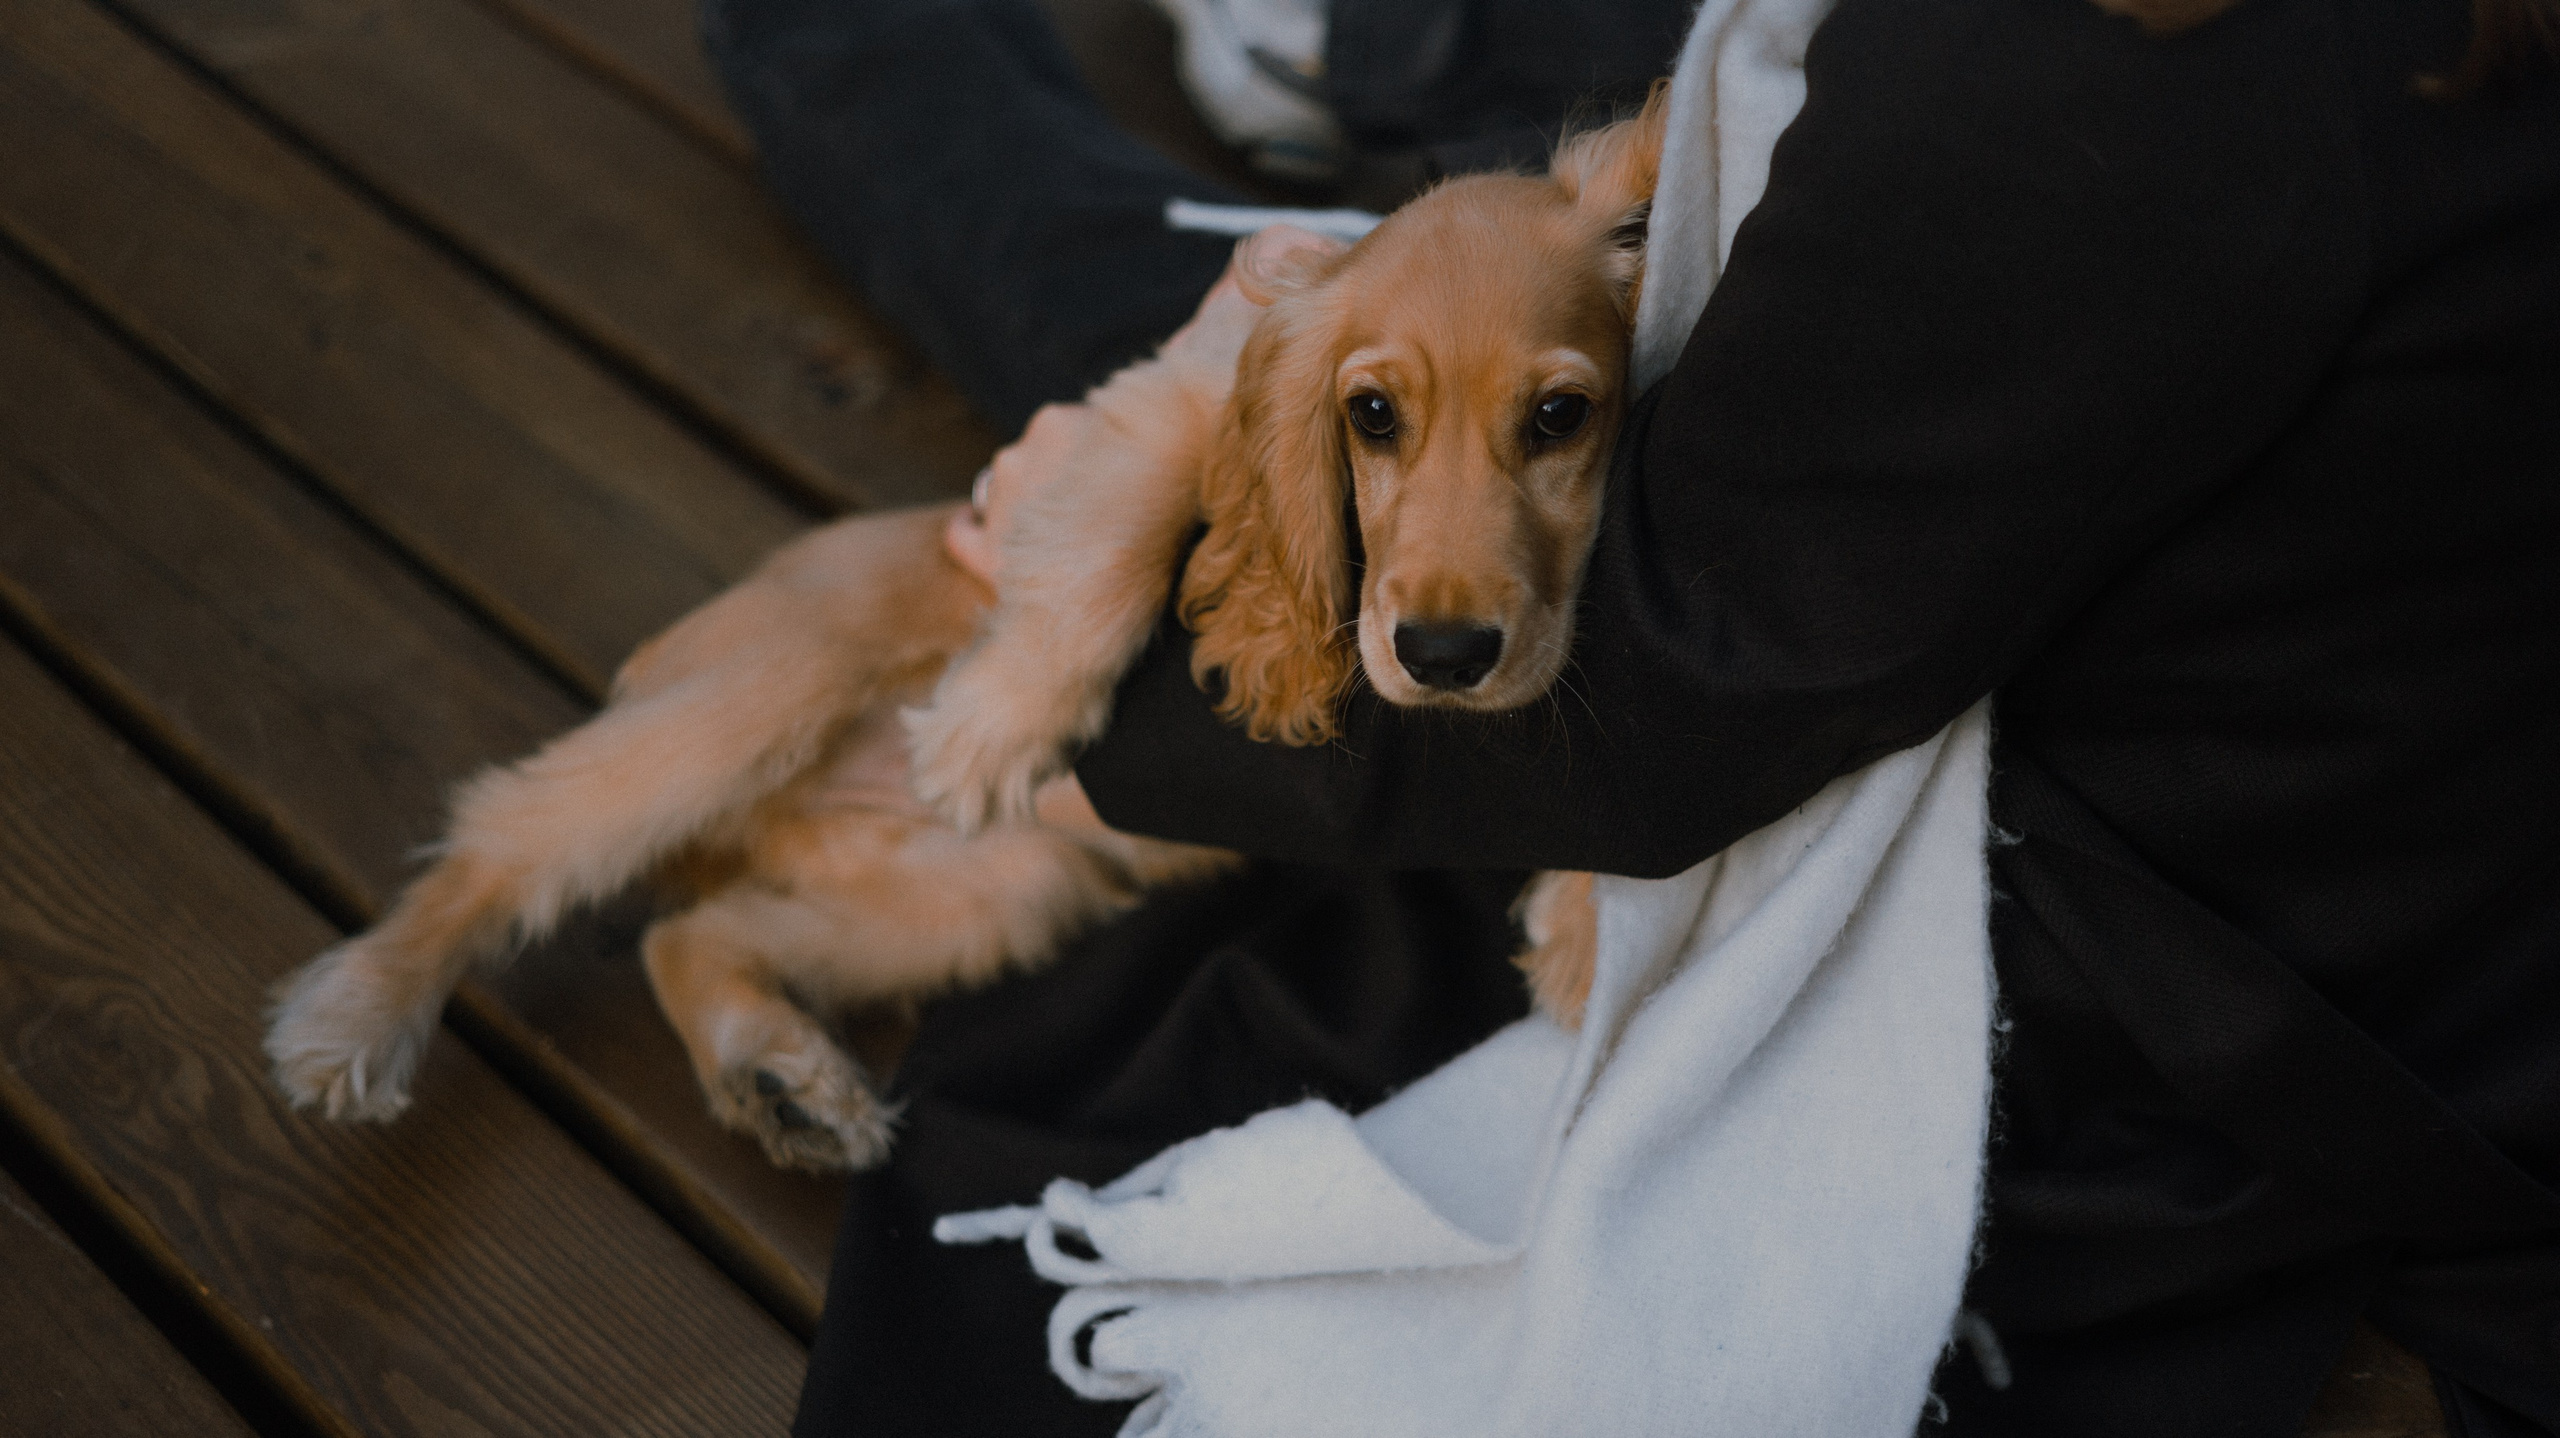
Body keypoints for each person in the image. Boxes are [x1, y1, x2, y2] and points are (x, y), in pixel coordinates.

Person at [703, 0, 2560, 1433]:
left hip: (2175, 999)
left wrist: (1082, 598)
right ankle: (1381, 53)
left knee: (1103, 269)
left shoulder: (2113, 87)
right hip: (2411, 830)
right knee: (1479, 194)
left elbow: (1680, 677)